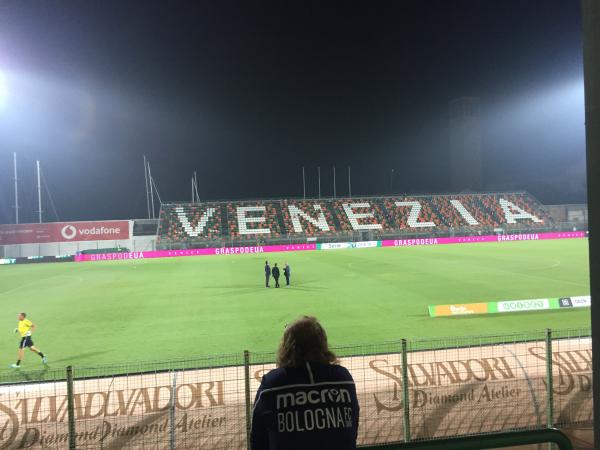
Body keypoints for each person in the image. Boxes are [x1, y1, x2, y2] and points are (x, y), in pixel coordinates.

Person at [251, 316, 359, 450]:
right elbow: (351, 431)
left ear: (287, 347)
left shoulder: (272, 385)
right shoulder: (343, 379)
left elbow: (257, 440)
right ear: (322, 344)